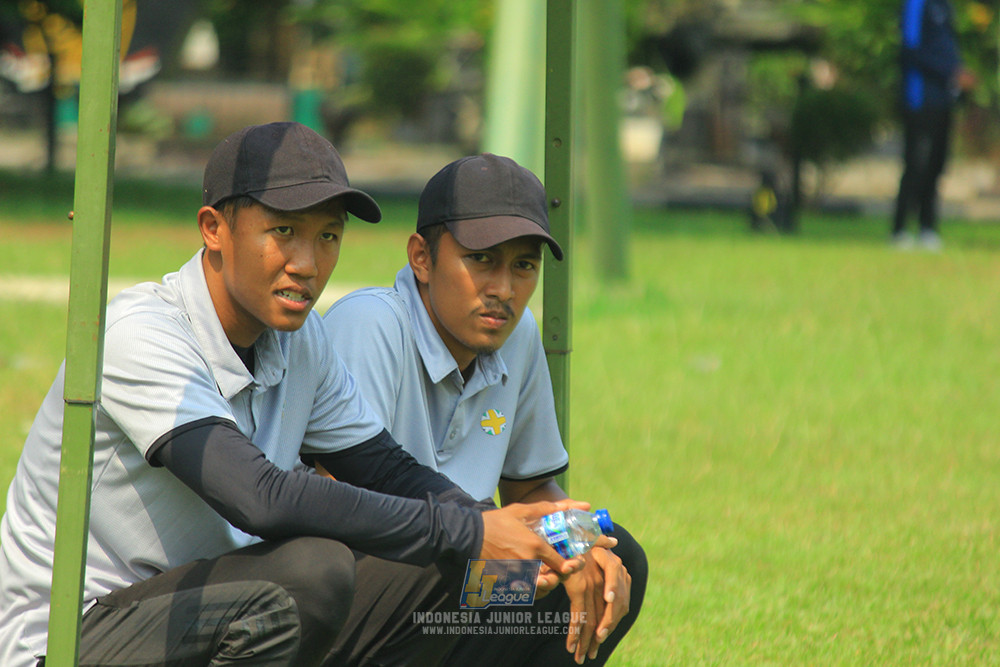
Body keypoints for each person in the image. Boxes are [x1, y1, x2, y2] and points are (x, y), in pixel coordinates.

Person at [0, 123, 603, 667]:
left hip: (200, 610)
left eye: (328, 237)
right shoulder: (143, 332)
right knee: (312, 572)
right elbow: (258, 499)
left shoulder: (301, 338)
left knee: (520, 561)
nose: (308, 264)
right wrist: (470, 534)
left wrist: (524, 538)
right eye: (283, 231)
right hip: (71, 637)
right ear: (214, 229)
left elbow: (384, 466)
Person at [323, 153, 647, 665]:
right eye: (482, 259)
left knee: (614, 557)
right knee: (451, 562)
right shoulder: (369, 325)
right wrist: (495, 550)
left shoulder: (519, 337)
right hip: (365, 586)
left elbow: (531, 488)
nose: (504, 290)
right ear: (421, 258)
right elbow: (342, 509)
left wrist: (581, 544)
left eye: (524, 266)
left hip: (458, 570)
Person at [892, 0, 976, 250]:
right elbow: (910, 49)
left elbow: (945, 46)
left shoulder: (946, 6)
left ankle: (927, 227)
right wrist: (950, 71)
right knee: (916, 162)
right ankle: (899, 229)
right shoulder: (916, 4)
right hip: (919, 97)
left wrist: (958, 75)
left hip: (943, 99)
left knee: (936, 164)